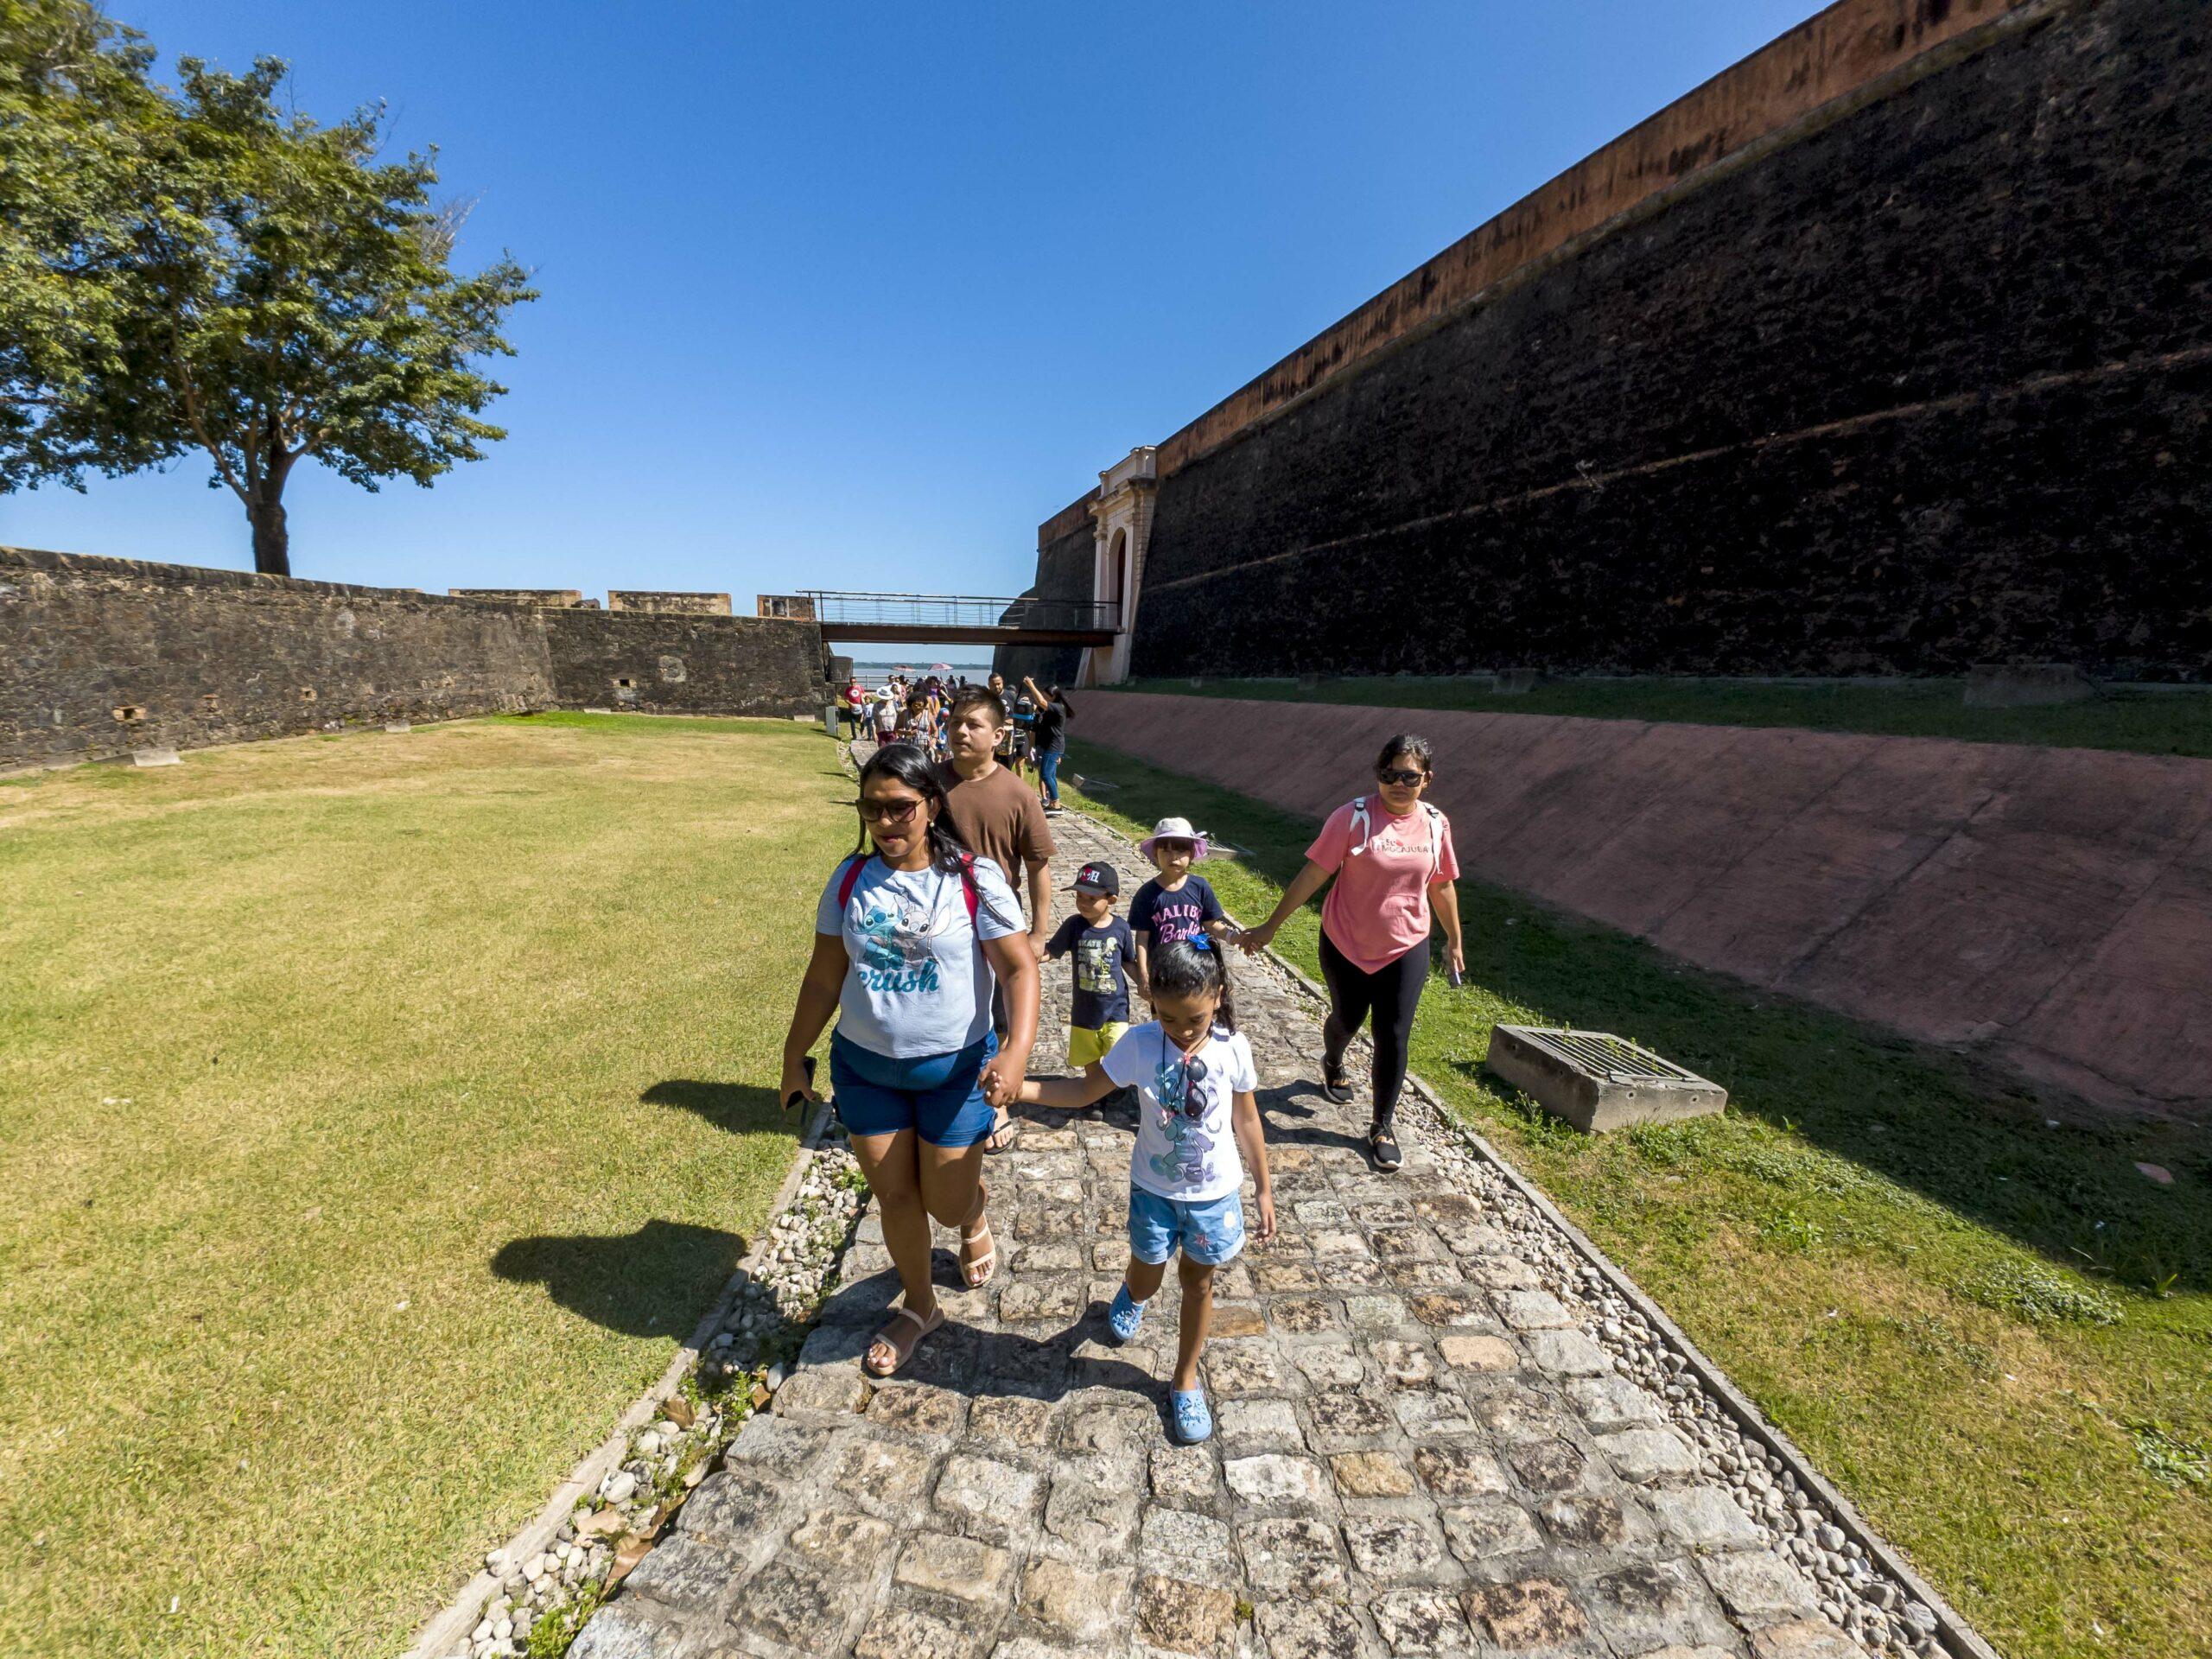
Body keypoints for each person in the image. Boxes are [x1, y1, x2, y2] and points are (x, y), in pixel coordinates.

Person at [780, 744, 1039, 1376]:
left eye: (899, 807)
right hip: (867, 1071)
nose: (886, 822)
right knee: (896, 1199)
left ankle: (971, 1212)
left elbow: (1018, 967)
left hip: (955, 1075)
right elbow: (823, 978)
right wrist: (794, 1055)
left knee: (945, 1203)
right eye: (872, 808)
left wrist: (1015, 1051)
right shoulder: (849, 880)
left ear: (930, 806)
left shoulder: (974, 880)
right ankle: (921, 1306)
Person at [1009, 939, 1273, 1444]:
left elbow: (1247, 1118)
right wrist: (1023, 1091)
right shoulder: (1139, 1043)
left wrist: (1263, 1187)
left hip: (1213, 1198)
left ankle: (1185, 1379)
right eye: (1168, 1018)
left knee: (1198, 1283)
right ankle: (1133, 1294)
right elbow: (1084, 1091)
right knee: (1148, 1276)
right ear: (1153, 1005)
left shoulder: (1233, 1048)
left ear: (1218, 995)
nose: (1181, 1031)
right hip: (1154, 1192)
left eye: (1193, 1019)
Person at [1238, 734, 1463, 1173]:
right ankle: (1333, 1059)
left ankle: (1381, 1125)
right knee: (1346, 1019)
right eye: (1388, 774)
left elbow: (1441, 884)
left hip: (1407, 944)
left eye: (1409, 776)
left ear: (1427, 780)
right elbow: (1312, 875)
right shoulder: (1353, 817)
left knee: (1393, 1033)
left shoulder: (1436, 823)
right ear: (1377, 775)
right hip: (1346, 942)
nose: (1398, 784)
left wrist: (1454, 939)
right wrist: (1270, 926)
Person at [937, 685, 1054, 1152]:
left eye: (973, 724)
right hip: (939, 919)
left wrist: (1041, 931)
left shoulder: (1018, 793)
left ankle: (996, 1097)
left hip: (997, 923)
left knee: (1000, 1016)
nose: (960, 732)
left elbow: (1038, 865)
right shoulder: (929, 784)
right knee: (952, 1007)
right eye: (953, 723)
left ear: (999, 734)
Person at [1044, 860, 1137, 1070]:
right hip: (1085, 1011)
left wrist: (1145, 984)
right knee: (1089, 1060)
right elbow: (1051, 951)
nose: (1083, 903)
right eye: (1079, 896)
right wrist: (1029, 956)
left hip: (1116, 1010)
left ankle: (1115, 1095)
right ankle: (1094, 1096)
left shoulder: (1121, 928)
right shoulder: (1073, 925)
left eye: (1092, 898)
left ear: (1110, 900)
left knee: (1119, 1058)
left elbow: (1128, 962)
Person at [1128, 816, 1235, 999]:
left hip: (1196, 965)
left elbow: (1210, 924)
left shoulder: (1200, 887)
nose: (1174, 857)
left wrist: (1234, 937)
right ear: (1156, 853)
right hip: (1163, 969)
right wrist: (1144, 975)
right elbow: (1142, 939)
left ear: (1192, 854)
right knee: (1165, 1016)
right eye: (1166, 851)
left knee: (1197, 1012)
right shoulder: (1146, 894)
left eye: (1181, 850)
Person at [1021, 677, 1072, 815]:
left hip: (1053, 746)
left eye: (1046, 696)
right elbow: (1038, 715)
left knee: (1045, 774)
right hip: (1046, 745)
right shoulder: (1049, 710)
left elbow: (1041, 702)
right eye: (1043, 695)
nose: (1043, 698)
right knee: (1051, 775)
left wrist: (1031, 685)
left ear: (1054, 696)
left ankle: (1056, 803)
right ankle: (1053, 803)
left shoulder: (1058, 707)